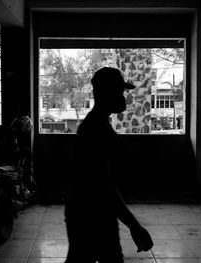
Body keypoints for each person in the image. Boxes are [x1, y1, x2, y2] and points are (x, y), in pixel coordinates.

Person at [64, 67, 153, 263]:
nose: (123, 98)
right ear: (104, 93)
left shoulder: (99, 124)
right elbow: (103, 185)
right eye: (119, 91)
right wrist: (135, 226)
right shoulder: (96, 129)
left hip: (95, 210)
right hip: (90, 213)